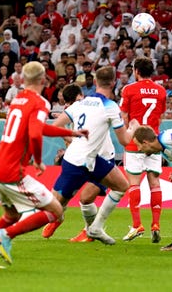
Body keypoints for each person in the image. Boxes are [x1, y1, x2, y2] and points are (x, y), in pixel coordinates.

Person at [0, 62, 89, 269]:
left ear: (23, 80)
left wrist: (71, 132)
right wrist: (39, 160)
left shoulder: (18, 99)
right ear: (43, 80)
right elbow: (35, 133)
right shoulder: (40, 103)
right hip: (12, 170)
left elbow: (38, 127)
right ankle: (6, 235)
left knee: (11, 215)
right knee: (55, 211)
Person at [42, 75, 136, 246]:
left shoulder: (85, 106)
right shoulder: (101, 106)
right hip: (80, 160)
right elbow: (124, 140)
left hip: (100, 158)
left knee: (87, 198)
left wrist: (71, 138)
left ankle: (91, 230)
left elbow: (55, 127)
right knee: (55, 206)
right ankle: (53, 218)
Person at [119, 57, 167, 243]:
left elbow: (124, 117)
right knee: (155, 183)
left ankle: (137, 224)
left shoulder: (129, 89)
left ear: (136, 71)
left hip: (134, 141)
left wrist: (129, 136)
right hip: (153, 141)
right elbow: (161, 117)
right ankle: (156, 224)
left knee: (134, 183)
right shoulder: (160, 90)